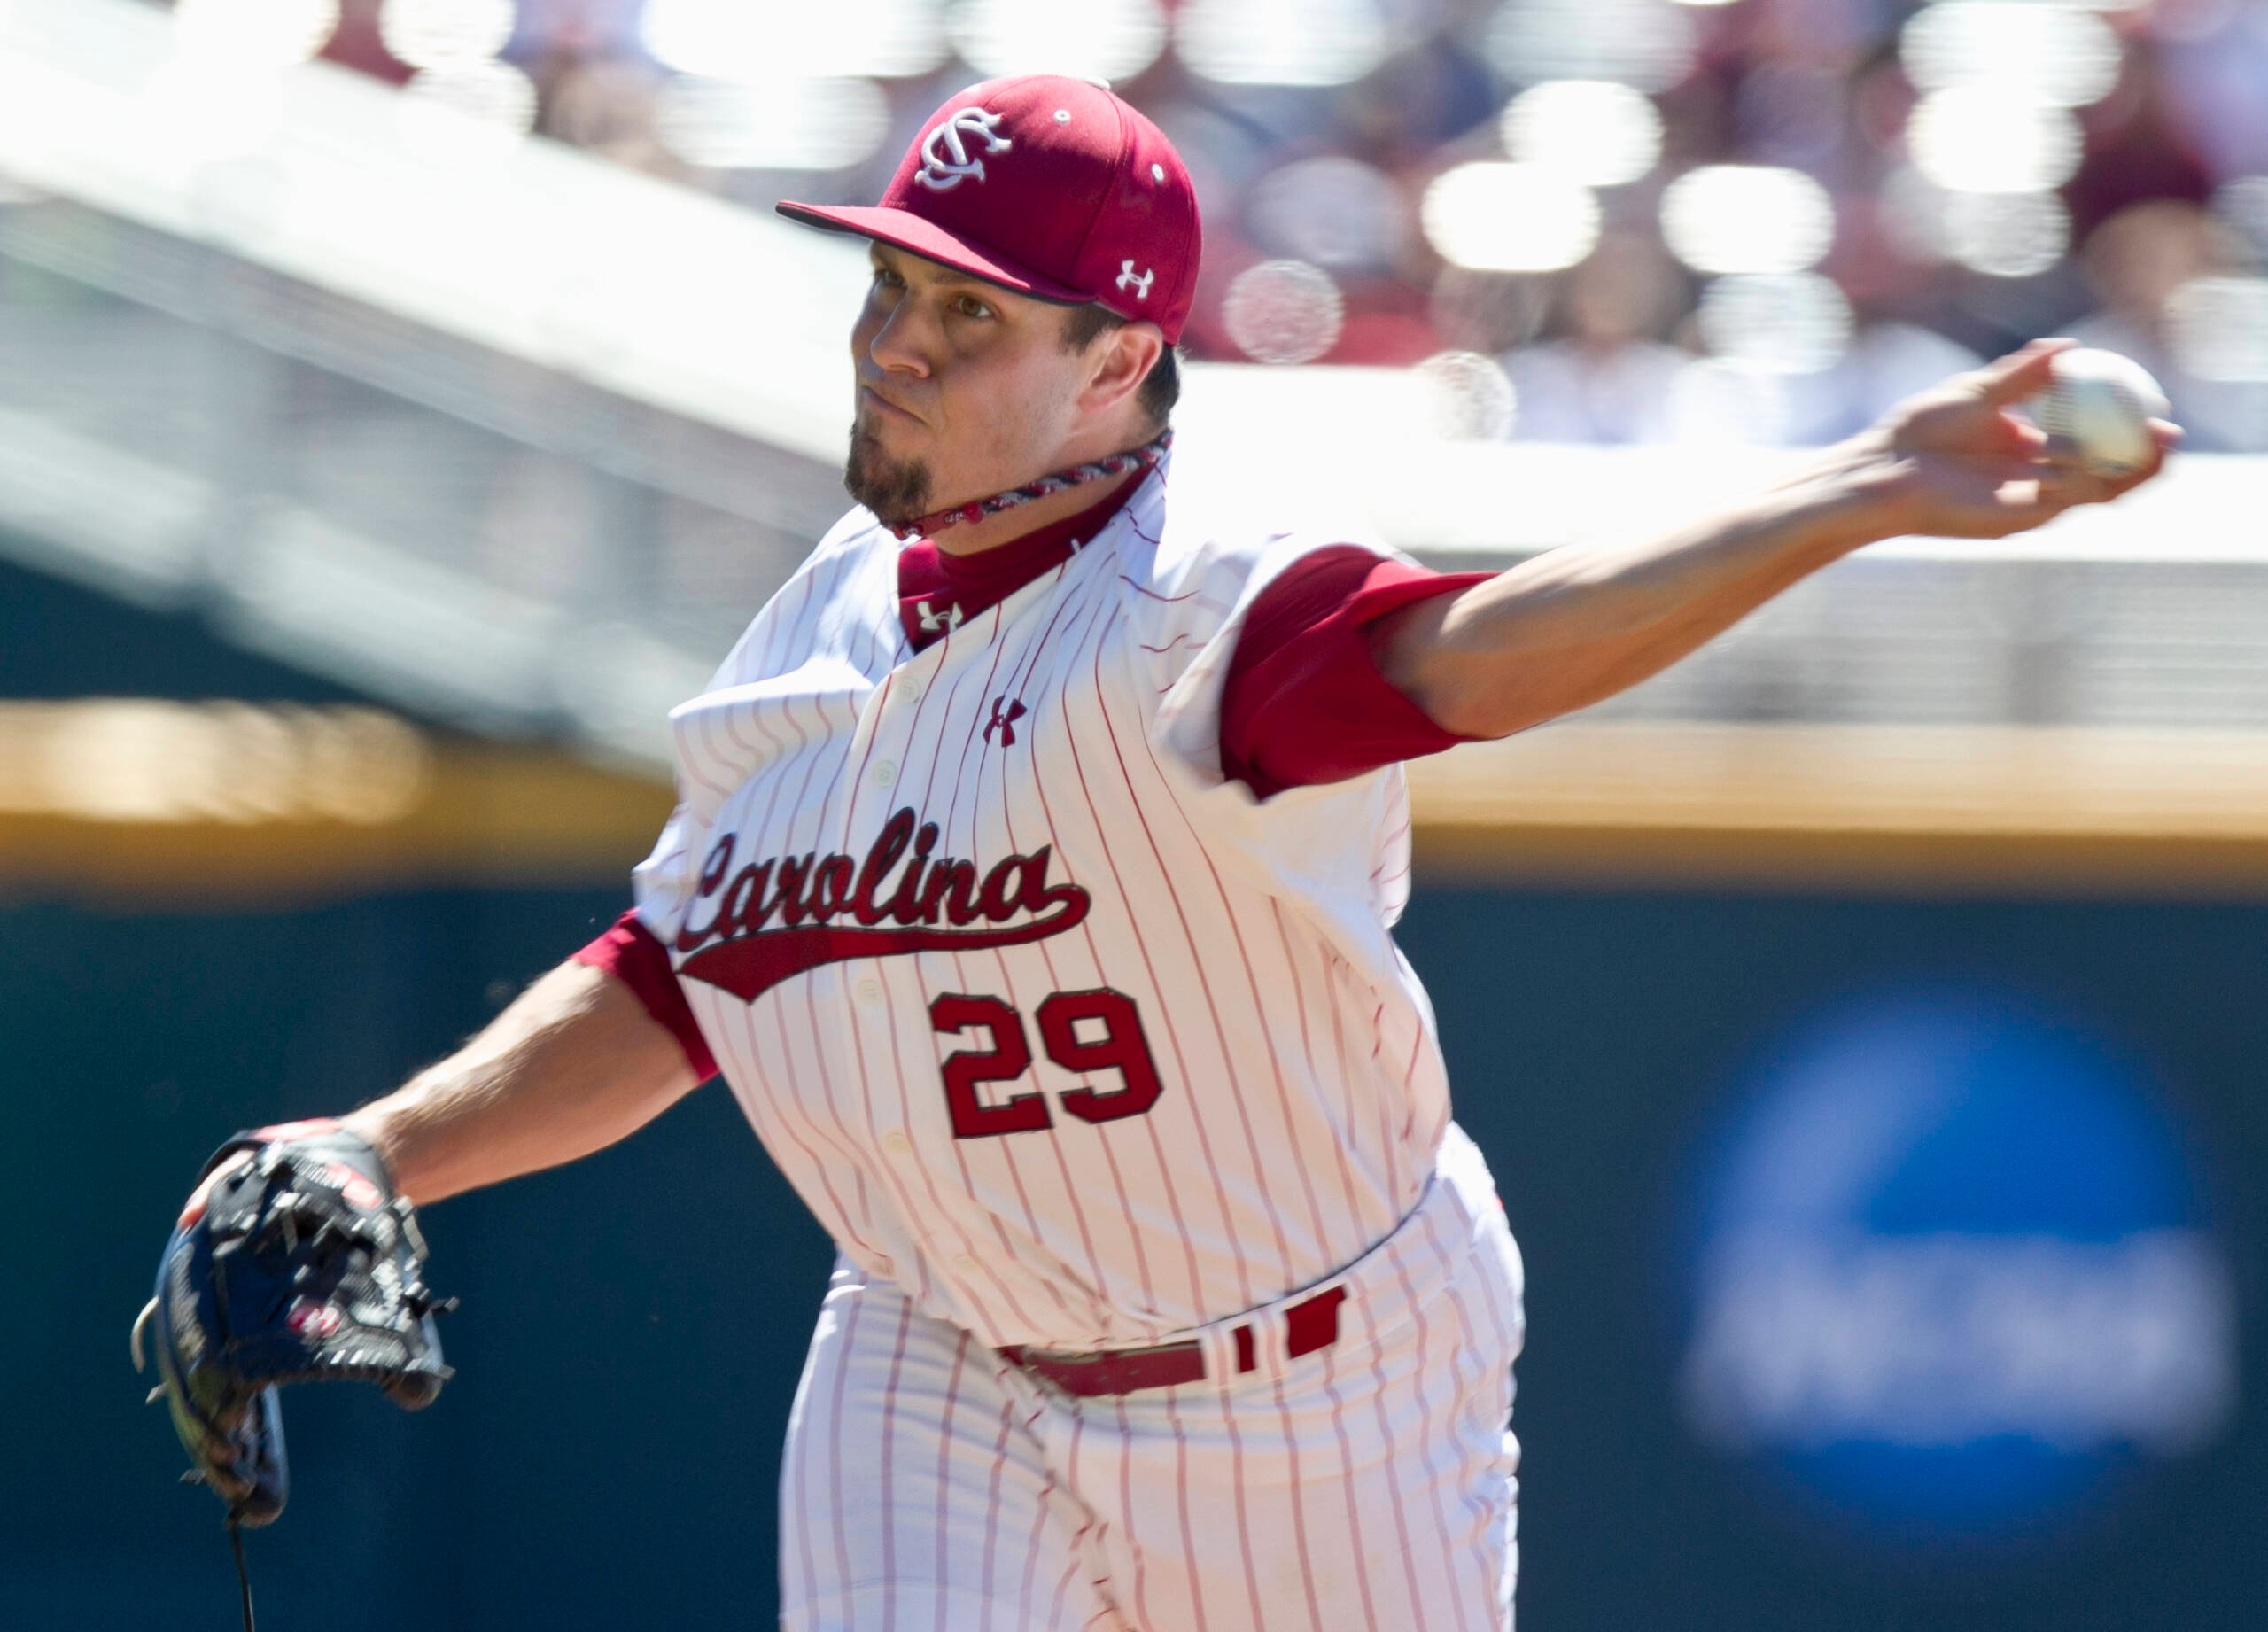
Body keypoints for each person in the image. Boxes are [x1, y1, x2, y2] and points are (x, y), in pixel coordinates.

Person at [172, 75, 2171, 1631]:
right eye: (889, 289)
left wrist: (1849, 489)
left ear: (1119, 360)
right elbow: (681, 975)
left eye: (967, 311)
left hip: (1307, 1387)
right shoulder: (823, 611)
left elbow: (1466, 658)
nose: (895, 341)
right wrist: (374, 1147)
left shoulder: (1192, 602)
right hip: (933, 1348)